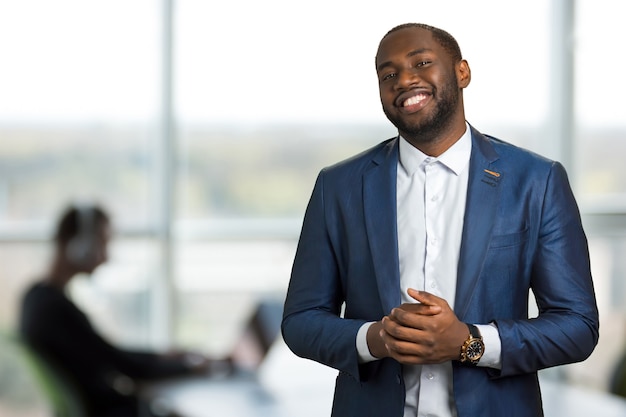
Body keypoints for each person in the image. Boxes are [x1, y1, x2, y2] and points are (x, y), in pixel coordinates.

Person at [281, 23, 599, 417]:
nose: (404, 79)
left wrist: (469, 341)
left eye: (422, 62)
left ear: (462, 72)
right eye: (388, 74)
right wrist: (376, 338)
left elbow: (577, 327)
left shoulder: (537, 181)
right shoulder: (339, 187)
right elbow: (300, 321)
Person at [19, 204, 226, 417]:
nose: (106, 257)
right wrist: (189, 368)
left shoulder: (36, 297)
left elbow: (105, 352)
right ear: (80, 245)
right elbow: (121, 364)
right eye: (103, 242)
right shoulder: (54, 308)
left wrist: (163, 357)